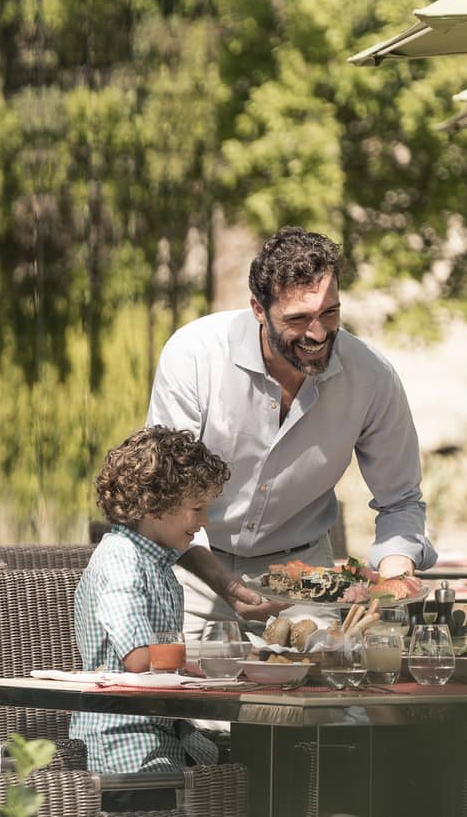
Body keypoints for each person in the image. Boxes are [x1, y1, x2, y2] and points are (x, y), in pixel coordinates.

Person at [146, 226, 432, 638]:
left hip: (305, 585)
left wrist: (394, 574)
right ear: (258, 310)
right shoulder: (195, 355)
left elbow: (401, 501)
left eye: (329, 313)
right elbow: (166, 493)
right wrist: (227, 585)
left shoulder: (372, 376)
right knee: (185, 696)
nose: (317, 334)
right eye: (297, 319)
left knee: (323, 695)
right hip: (190, 571)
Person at [71, 425, 231, 775]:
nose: (203, 522)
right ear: (154, 506)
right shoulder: (120, 559)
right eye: (196, 509)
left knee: (256, 767)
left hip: (164, 728)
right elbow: (140, 659)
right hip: (124, 734)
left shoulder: (158, 563)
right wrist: (210, 659)